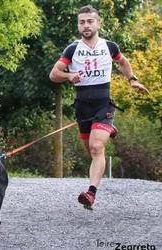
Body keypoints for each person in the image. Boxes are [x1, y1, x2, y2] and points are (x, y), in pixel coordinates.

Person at [49, 5, 149, 210]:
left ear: (98, 23)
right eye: (82, 22)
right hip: (82, 108)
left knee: (97, 148)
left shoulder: (109, 46)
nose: (86, 25)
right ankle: (106, 128)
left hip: (104, 104)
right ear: (78, 25)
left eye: (90, 21)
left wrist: (132, 80)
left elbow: (123, 62)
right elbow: (54, 74)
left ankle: (91, 193)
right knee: (91, 151)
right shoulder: (72, 49)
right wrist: (69, 76)